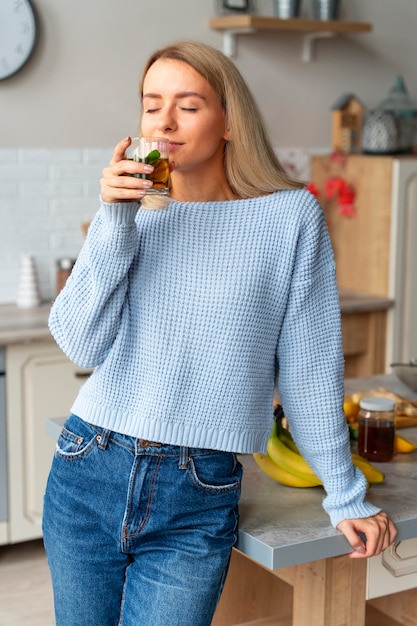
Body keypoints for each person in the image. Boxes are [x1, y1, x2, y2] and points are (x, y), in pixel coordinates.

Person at [42, 39, 397, 626]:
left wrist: (345, 494)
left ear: (229, 120)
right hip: (88, 465)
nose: (164, 120)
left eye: (188, 104)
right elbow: (80, 344)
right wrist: (114, 220)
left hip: (197, 491)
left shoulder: (288, 217)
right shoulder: (131, 215)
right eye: (152, 104)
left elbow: (309, 374)